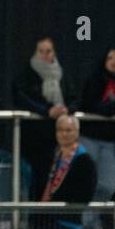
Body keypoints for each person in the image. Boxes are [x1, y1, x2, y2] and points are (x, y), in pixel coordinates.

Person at [78, 47, 115, 229]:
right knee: (86, 182)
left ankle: (90, 222)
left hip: (110, 142)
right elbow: (88, 105)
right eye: (110, 57)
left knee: (107, 184)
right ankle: (82, 225)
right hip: (89, 138)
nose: (114, 61)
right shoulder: (95, 79)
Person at [13, 36, 72, 190]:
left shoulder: (61, 73)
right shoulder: (26, 73)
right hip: (34, 136)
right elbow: (22, 97)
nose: (45, 55)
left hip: (56, 136)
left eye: (49, 51)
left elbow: (73, 97)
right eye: (41, 51)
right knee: (35, 177)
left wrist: (66, 109)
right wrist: (47, 111)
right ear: (35, 52)